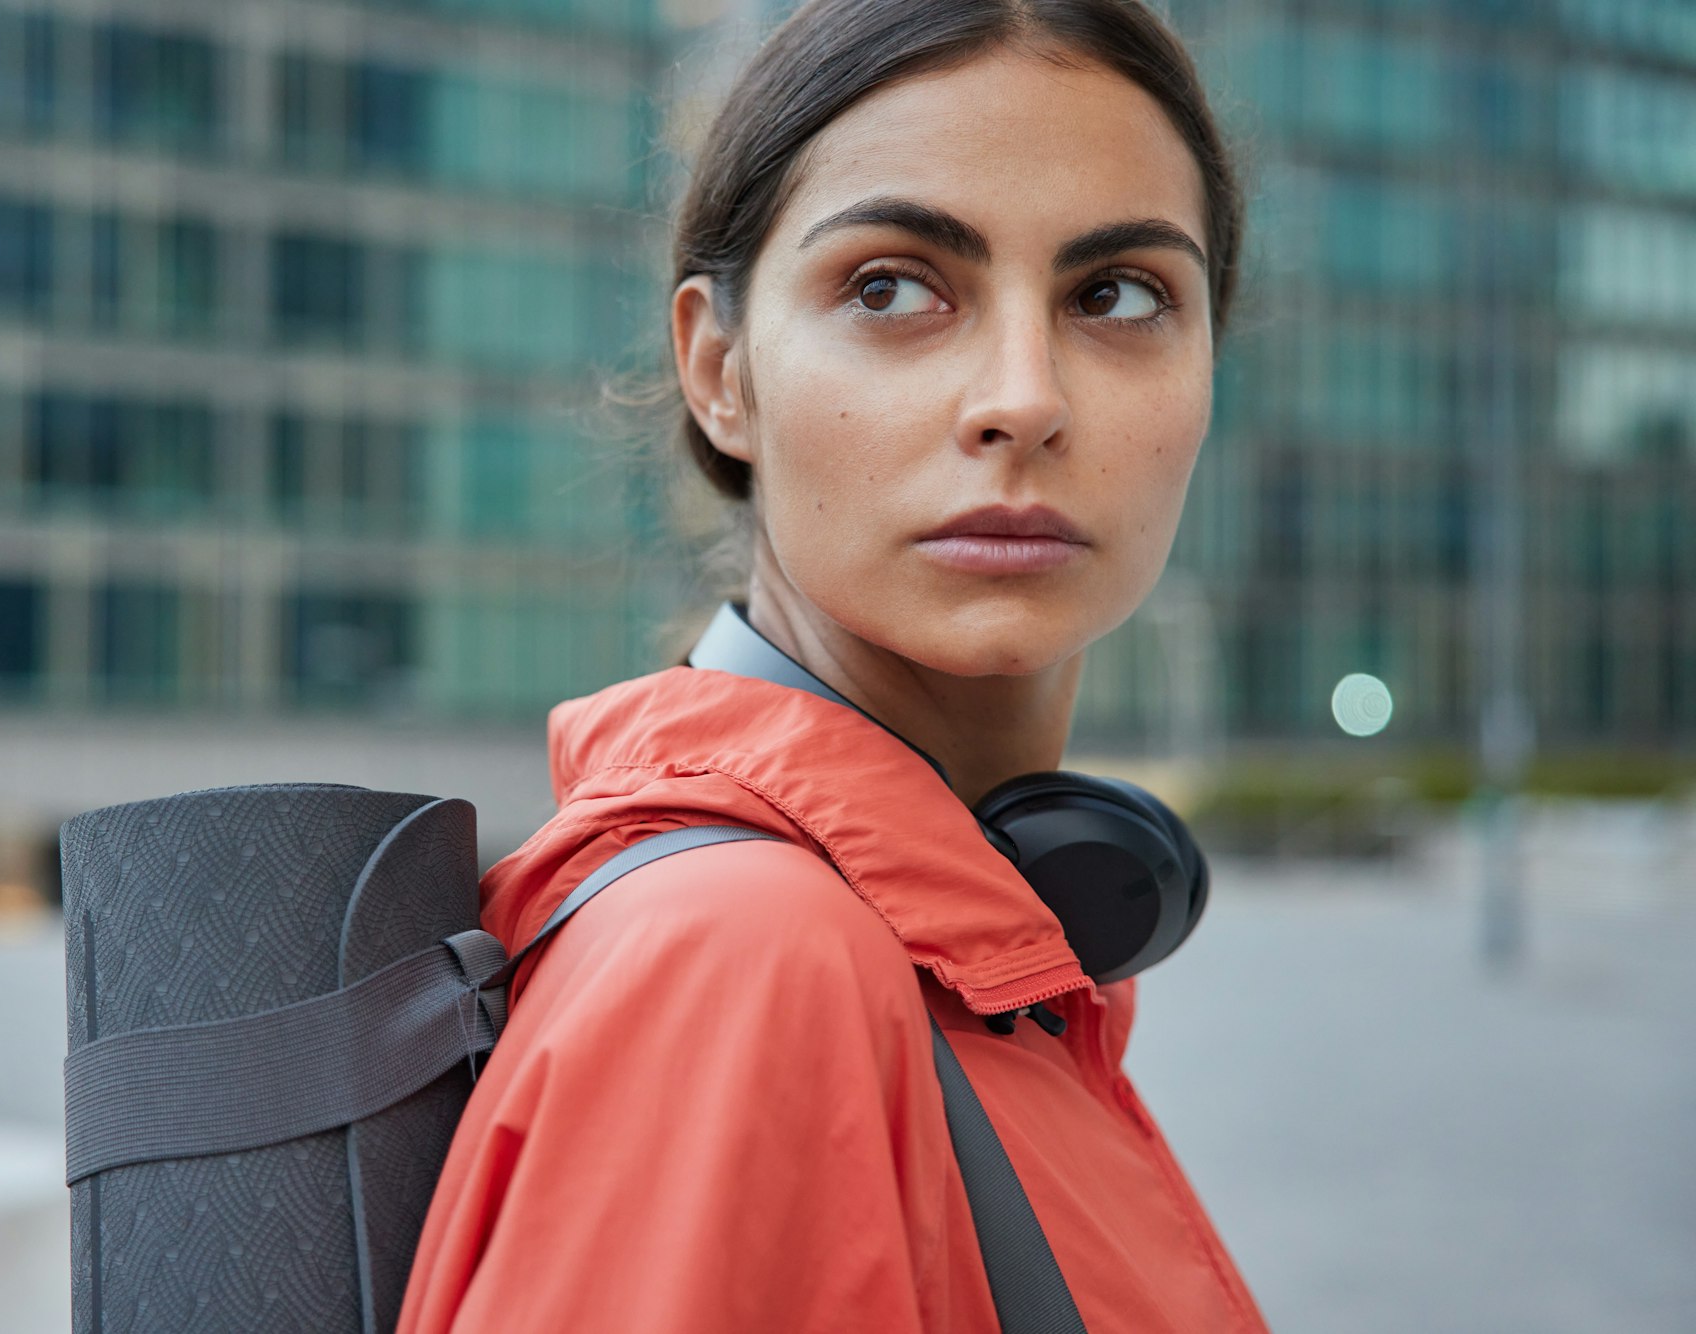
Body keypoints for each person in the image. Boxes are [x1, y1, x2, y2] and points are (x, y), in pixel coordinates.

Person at [398, 0, 1267, 1329]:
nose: (1024, 397)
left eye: (1119, 294)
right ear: (719, 369)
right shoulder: (752, 960)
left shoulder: (978, 940)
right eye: (893, 286)